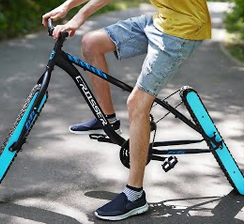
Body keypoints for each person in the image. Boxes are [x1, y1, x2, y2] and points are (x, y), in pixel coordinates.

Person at [42, 0, 211, 221]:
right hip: (161, 21)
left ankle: (134, 196)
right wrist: (67, 6)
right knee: (92, 42)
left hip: (183, 29)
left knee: (137, 104)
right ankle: (108, 118)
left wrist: (78, 17)